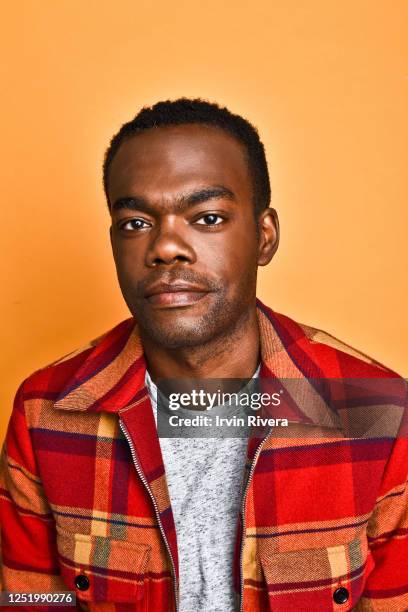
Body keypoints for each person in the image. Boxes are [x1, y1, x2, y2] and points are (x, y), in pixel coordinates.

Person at [0, 98, 407, 612]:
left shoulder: (377, 411)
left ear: (265, 236)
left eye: (207, 217)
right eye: (134, 223)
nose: (166, 247)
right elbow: (30, 599)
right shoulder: (47, 413)